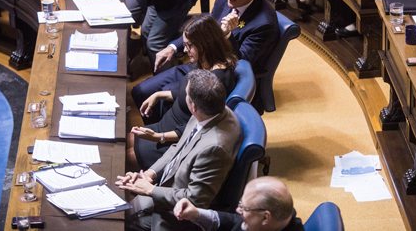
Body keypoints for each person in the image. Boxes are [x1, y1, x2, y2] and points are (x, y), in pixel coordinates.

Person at [131, 0, 278, 112]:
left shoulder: (263, 23)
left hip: (217, 78)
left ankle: (162, 133)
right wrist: (173, 47)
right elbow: (203, 30)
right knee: (140, 91)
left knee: (163, 100)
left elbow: (240, 63)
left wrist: (227, 35)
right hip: (199, 63)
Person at [116, 69, 241, 231]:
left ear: (193, 106)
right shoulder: (212, 110)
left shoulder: (214, 148)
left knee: (118, 223)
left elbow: (195, 201)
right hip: (167, 187)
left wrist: (151, 190)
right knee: (121, 208)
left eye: (186, 95)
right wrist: (150, 174)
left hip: (177, 217)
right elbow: (178, 147)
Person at [129, 15, 237, 170]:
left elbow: (198, 128)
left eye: (189, 46)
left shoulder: (214, 81)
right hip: (165, 126)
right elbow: (186, 92)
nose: (185, 50)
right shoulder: (204, 62)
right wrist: (158, 94)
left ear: (204, 45)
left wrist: (158, 138)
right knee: (122, 141)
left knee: (124, 157)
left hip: (175, 141)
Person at [173, 176, 303, 231]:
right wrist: (196, 214)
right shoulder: (272, 220)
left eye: (244, 208)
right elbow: (235, 221)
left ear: (265, 217)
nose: (238, 210)